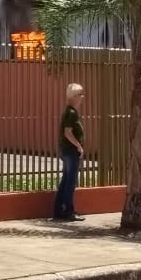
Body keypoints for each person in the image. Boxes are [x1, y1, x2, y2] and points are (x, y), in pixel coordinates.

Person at [53, 83, 86, 222]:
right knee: (70, 181)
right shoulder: (71, 113)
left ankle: (59, 210)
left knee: (66, 180)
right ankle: (68, 211)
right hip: (71, 151)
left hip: (67, 150)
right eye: (80, 95)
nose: (82, 98)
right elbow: (68, 132)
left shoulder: (69, 111)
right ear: (73, 97)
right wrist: (78, 146)